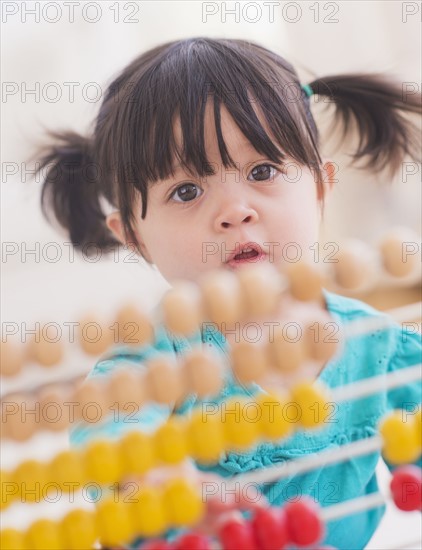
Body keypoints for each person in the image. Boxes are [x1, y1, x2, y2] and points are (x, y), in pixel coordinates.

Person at [36, 38, 421, 549]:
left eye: (262, 171)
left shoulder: (381, 347)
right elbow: (110, 432)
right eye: (187, 191)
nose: (235, 210)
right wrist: (162, 480)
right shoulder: (151, 363)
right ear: (133, 235)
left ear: (321, 189)